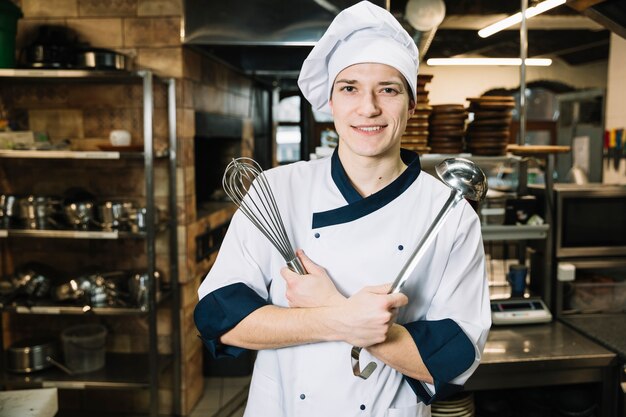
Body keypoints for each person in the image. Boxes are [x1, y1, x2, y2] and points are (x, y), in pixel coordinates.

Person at [194, 1, 491, 416]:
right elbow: (219, 319)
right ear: (330, 102)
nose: (367, 107)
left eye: (388, 89)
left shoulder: (449, 211)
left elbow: (453, 358)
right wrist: (339, 318)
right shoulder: (276, 190)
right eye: (349, 87)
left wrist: (330, 307)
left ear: (411, 103)